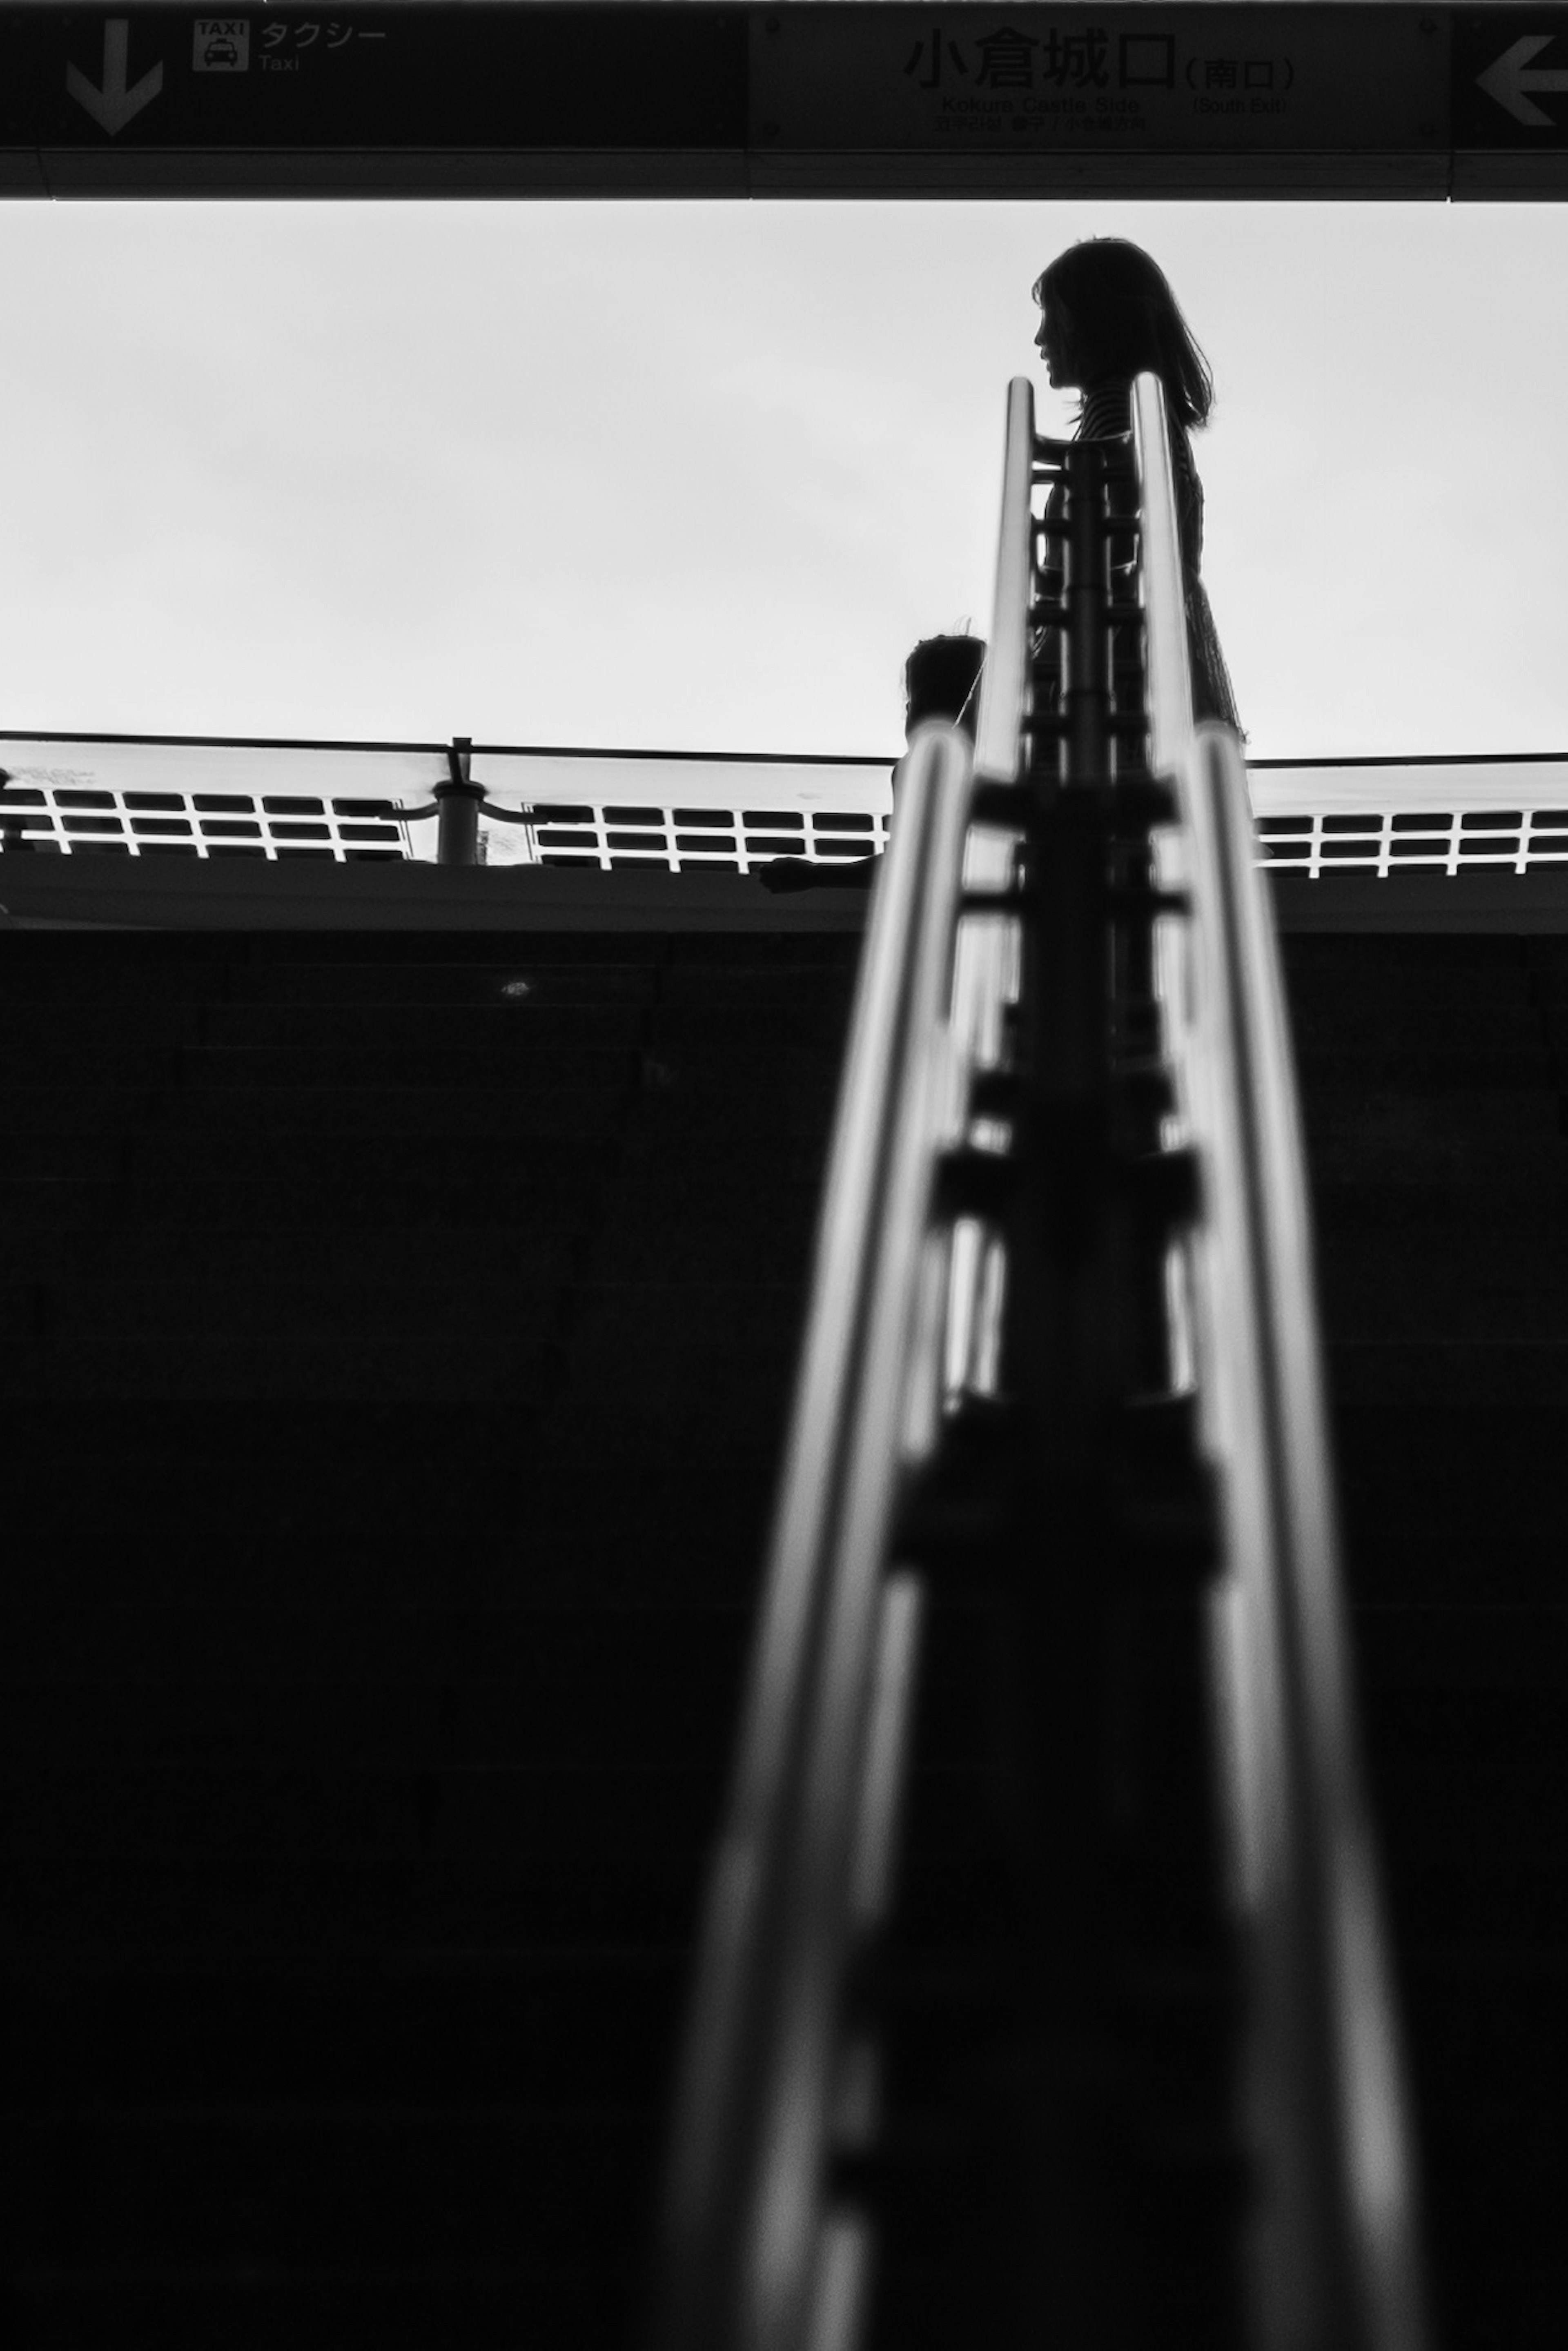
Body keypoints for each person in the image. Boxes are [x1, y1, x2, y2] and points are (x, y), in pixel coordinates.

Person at [1032, 237, 1242, 735]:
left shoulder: (1119, 421)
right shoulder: (1146, 419)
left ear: (1092, 321)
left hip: (1116, 686)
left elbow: (1105, 577)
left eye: (1053, 317)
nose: (1041, 339)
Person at [753, 632, 986, 892]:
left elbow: (907, 866)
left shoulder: (920, 770)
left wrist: (814, 875)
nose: (909, 713)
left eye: (917, 702)